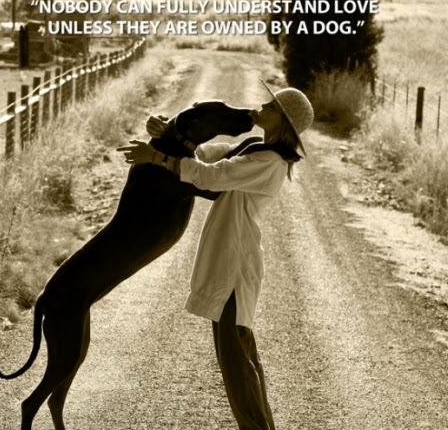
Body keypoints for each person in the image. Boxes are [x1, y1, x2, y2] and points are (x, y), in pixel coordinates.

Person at [117, 81, 314, 430]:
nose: (262, 107)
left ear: (283, 123)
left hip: (235, 268)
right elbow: (209, 155)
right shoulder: (255, 148)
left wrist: (158, 158)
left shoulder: (269, 162)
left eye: (271, 107)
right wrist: (168, 134)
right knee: (242, 360)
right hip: (232, 264)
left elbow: (211, 176)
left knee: (238, 367)